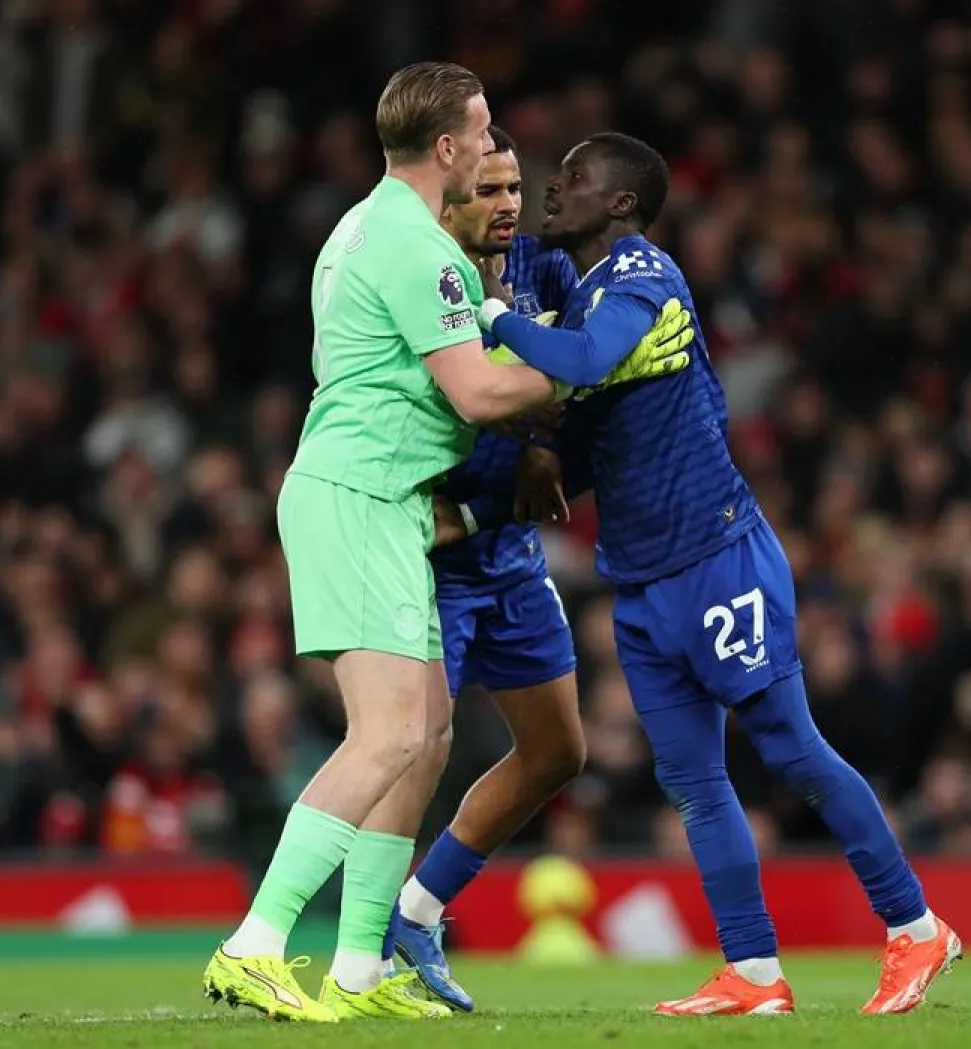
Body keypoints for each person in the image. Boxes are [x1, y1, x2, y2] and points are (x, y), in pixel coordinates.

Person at [203, 67, 690, 1024]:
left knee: (422, 736)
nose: (491, 141)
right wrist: (599, 363)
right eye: (480, 129)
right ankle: (255, 943)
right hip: (365, 495)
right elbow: (475, 393)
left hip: (377, 497)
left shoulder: (363, 227)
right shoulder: (414, 244)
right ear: (448, 149)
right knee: (385, 733)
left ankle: (356, 968)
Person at [464, 132, 962, 1016]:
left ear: (621, 204)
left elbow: (578, 361)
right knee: (693, 782)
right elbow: (483, 245)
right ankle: (754, 972)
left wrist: (492, 321)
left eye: (573, 180)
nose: (551, 191)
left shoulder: (644, 279)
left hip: (716, 556)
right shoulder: (564, 273)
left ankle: (916, 926)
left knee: (792, 749)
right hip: (643, 579)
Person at [388, 127, 583, 1013]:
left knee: (557, 750)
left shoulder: (546, 272)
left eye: (516, 189)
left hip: (508, 551)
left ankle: (416, 913)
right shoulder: (425, 276)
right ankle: (367, 950)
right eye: (489, 189)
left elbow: (586, 380)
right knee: (411, 753)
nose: (507, 204)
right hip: (434, 553)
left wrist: (547, 446)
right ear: (451, 196)